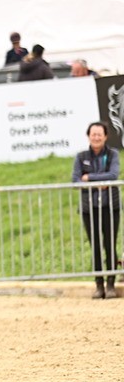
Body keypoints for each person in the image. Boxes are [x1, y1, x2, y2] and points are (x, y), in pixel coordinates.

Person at [73, 122, 121, 298]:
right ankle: (98, 285)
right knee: (95, 247)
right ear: (88, 136)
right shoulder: (81, 156)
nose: (96, 137)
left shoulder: (113, 154)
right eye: (93, 134)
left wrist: (90, 178)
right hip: (89, 209)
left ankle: (110, 285)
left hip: (110, 208)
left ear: (105, 136)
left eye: (99, 134)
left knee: (110, 245)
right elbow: (75, 180)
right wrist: (98, 183)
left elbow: (113, 175)